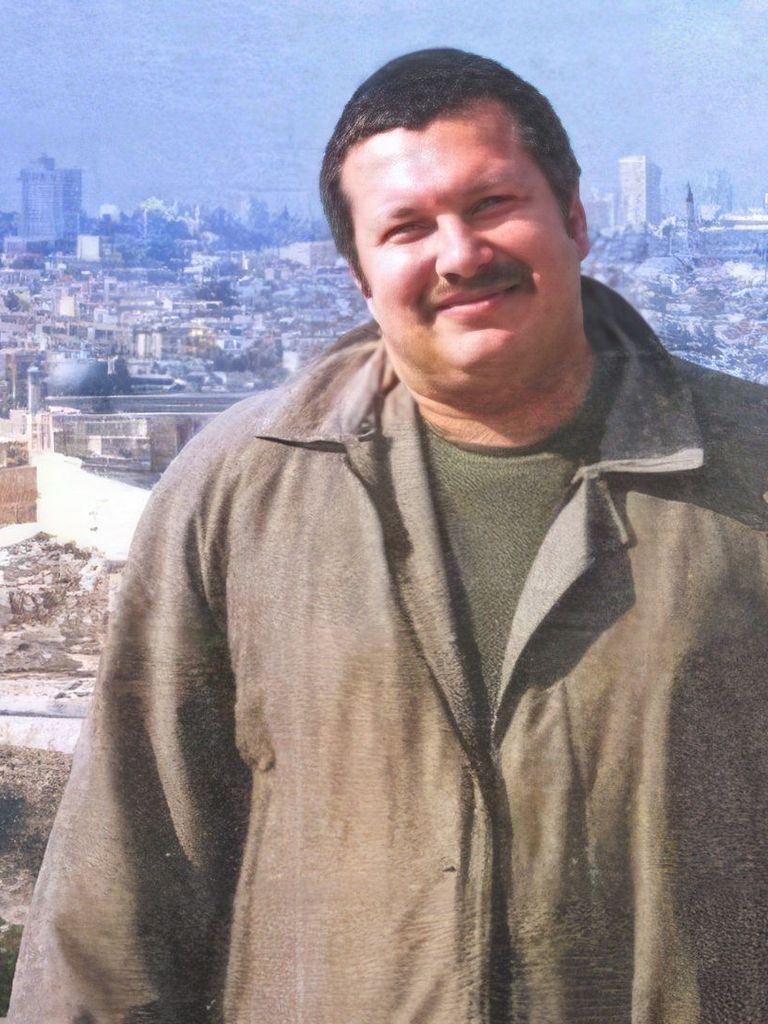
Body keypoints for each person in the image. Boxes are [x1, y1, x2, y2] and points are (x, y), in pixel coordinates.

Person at [9, 48, 768, 1024]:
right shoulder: (244, 487)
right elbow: (120, 887)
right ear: (360, 274)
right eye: (407, 227)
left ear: (577, 219)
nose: (459, 253)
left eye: (493, 204)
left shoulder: (747, 470)